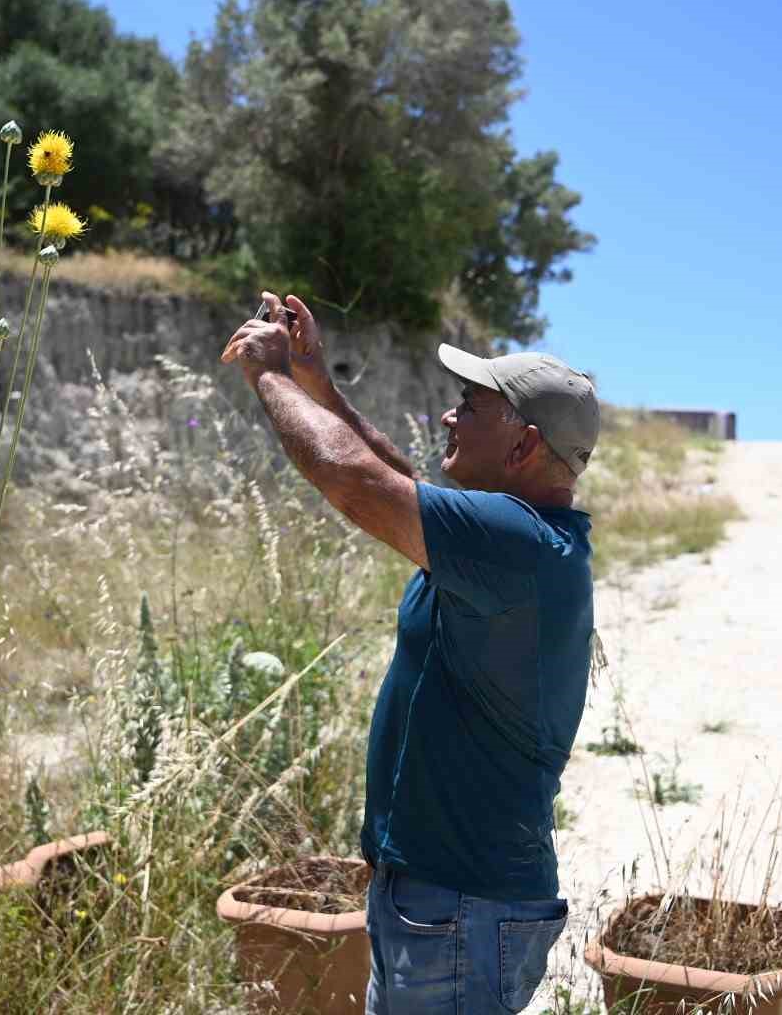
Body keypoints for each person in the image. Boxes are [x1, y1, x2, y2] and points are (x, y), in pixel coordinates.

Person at [221, 291, 601, 1014]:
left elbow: (354, 481)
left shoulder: (514, 544)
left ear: (523, 444)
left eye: (471, 405)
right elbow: (395, 478)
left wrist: (268, 375)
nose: (449, 415)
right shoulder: (507, 537)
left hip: (461, 905)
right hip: (439, 898)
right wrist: (315, 379)